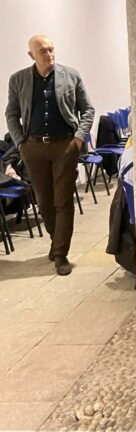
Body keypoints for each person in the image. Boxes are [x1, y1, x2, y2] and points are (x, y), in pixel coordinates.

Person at [5, 34, 95, 275]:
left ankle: (61, 254)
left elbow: (88, 109)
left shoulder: (71, 75)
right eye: (43, 51)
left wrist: (78, 138)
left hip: (65, 146)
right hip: (33, 148)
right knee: (44, 201)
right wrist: (21, 143)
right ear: (31, 55)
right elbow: (11, 114)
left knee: (63, 201)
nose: (49, 54)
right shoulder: (18, 79)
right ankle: (57, 243)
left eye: (51, 49)